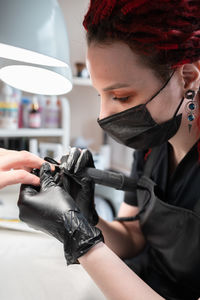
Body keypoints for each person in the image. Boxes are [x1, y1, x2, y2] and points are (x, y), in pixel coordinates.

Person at [17, 1, 200, 299]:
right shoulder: (151, 147)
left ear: (188, 78)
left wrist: (80, 239)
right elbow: (134, 237)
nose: (104, 116)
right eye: (100, 94)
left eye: (121, 96)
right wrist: (87, 218)